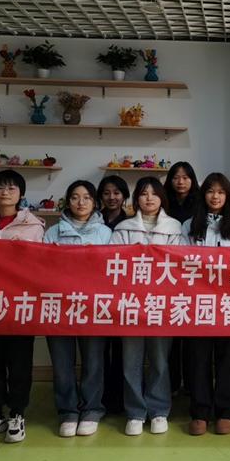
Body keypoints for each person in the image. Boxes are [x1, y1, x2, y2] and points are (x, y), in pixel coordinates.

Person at [0, 170, 45, 444]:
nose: (5, 193)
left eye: (11, 188)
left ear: (21, 193)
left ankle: (17, 414)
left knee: (19, 363)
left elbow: (41, 265)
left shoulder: (34, 226)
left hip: (19, 304)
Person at [111, 177, 183, 435]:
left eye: (154, 193)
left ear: (162, 197)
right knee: (131, 360)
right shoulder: (123, 228)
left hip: (162, 304)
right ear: (136, 199)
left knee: (160, 359)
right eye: (143, 193)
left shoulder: (175, 228)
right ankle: (135, 412)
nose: (149, 198)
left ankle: (159, 410)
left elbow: (181, 266)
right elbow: (112, 264)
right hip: (130, 303)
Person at [181, 173, 230, 435]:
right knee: (198, 357)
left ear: (228, 195)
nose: (215, 196)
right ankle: (200, 411)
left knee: (226, 357)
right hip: (197, 301)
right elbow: (180, 263)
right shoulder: (189, 225)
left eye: (221, 192)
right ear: (203, 194)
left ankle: (226, 410)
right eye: (211, 191)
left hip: (228, 302)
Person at [43, 180, 112, 437]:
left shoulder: (106, 233)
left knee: (93, 361)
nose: (80, 202)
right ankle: (68, 411)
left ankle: (92, 409)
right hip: (59, 305)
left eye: (86, 197)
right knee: (62, 362)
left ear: (95, 202)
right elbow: (41, 268)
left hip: (94, 306)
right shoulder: (52, 233)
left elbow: (113, 270)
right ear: (67, 201)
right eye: (74, 197)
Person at [163, 161, 201, 396]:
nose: (180, 182)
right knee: (171, 336)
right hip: (168, 276)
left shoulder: (200, 203)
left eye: (186, 177)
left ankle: (190, 382)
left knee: (191, 335)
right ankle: (172, 383)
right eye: (176, 177)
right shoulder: (163, 202)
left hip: (193, 276)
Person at [96, 175, 131, 414]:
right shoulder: (93, 221)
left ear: (124, 196)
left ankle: (118, 398)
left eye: (117, 193)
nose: (112, 197)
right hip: (95, 294)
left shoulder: (129, 224)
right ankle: (99, 397)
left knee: (120, 350)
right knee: (97, 351)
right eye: (107, 193)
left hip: (122, 296)